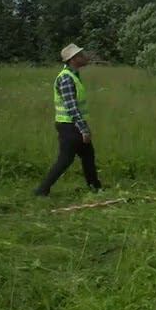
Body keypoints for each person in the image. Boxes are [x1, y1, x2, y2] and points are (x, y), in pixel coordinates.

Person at [34, 43, 102, 196]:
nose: (85, 57)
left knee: (88, 156)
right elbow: (71, 107)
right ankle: (42, 190)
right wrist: (83, 129)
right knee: (65, 160)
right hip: (69, 126)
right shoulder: (66, 78)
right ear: (73, 59)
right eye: (80, 55)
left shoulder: (73, 76)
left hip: (74, 124)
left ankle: (95, 187)